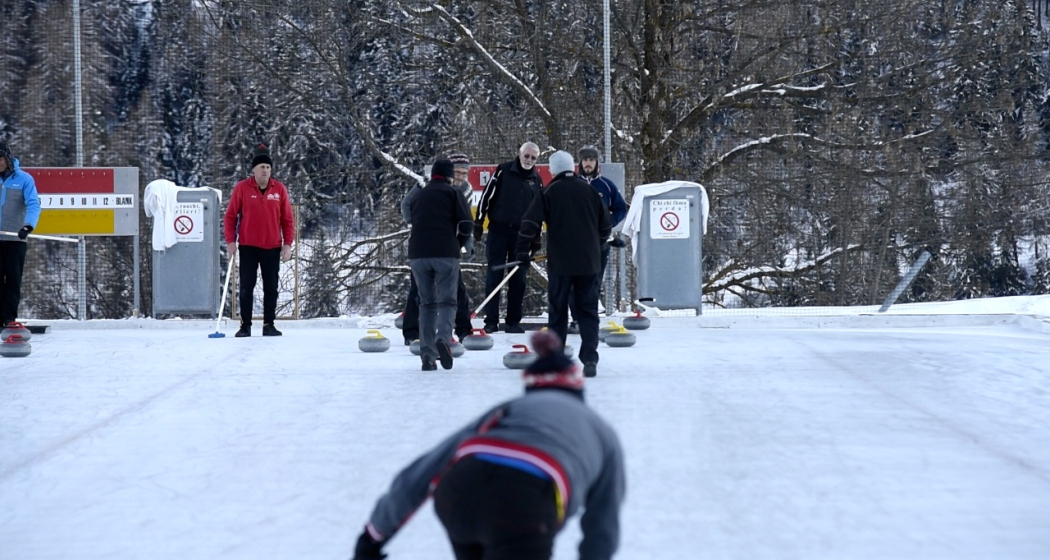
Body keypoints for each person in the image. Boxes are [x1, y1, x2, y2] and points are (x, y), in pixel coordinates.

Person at [351, 330, 625, 560]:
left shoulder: (509, 410)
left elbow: (428, 467)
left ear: (530, 389)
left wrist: (373, 536)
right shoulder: (603, 432)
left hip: (460, 491)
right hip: (524, 505)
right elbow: (602, 523)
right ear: (578, 390)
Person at [518, 151, 610, 378]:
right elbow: (606, 226)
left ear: (552, 170)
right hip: (589, 263)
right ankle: (589, 358)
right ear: (574, 167)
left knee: (558, 311)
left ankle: (556, 359)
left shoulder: (549, 191)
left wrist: (523, 251)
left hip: (561, 263)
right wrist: (594, 247)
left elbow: (530, 222)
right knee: (588, 311)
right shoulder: (589, 190)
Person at [400, 153, 475, 345]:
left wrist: (465, 244)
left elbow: (466, 220)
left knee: (457, 289)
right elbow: (406, 204)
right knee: (419, 291)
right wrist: (415, 223)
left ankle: (463, 329)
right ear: (449, 172)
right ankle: (411, 332)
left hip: (447, 246)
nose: (460, 177)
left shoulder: (465, 190)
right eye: (457, 172)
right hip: (429, 244)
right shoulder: (425, 185)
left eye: (464, 173)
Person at [224, 143, 295, 338]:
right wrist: (230, 242)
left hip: (272, 246)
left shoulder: (279, 189)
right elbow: (230, 217)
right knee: (247, 286)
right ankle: (245, 325)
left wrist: (288, 245)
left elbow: (287, 219)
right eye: (262, 167)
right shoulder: (242, 188)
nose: (265, 170)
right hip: (248, 246)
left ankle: (269, 324)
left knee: (271, 288)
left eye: (268, 167)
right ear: (254, 169)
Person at [473, 142, 543, 334]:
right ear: (519, 154)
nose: (529, 160)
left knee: (518, 278)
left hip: (522, 236)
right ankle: (491, 320)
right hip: (499, 230)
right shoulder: (503, 171)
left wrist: (536, 237)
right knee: (494, 274)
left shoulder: (536, 180)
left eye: (533, 158)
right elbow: (486, 196)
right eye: (526, 156)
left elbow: (538, 212)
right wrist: (479, 222)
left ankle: (512, 321)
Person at [569, 145, 628, 334]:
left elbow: (621, 208)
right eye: (585, 160)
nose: (588, 163)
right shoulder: (571, 184)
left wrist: (607, 223)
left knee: (593, 281)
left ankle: (589, 318)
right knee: (573, 282)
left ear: (596, 163)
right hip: (575, 243)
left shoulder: (607, 185)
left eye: (591, 160)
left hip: (599, 243)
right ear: (580, 163)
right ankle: (576, 318)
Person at [0, 141, 41, 327]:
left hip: (16, 239)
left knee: (13, 279)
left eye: (0, 158)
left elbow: (33, 204)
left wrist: (28, 226)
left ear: (7, 158)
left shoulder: (24, 179)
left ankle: (9, 318)